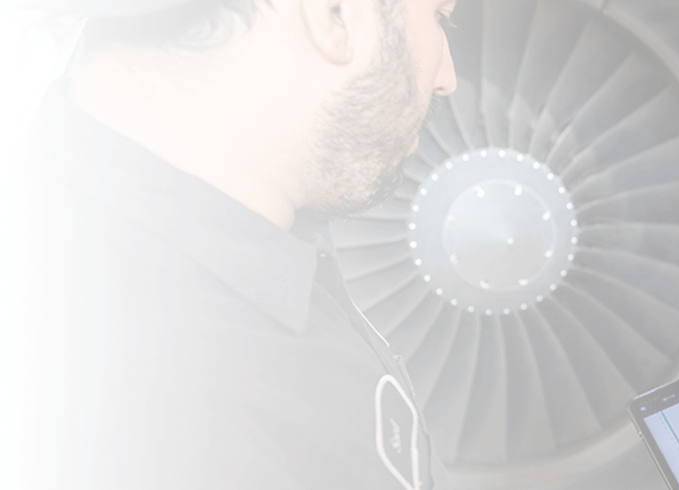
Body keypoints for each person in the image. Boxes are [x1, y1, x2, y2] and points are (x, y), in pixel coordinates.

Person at [1, 0, 457, 488]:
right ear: (336, 15)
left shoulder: (226, 237)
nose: (446, 76)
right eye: (440, 17)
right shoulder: (166, 430)